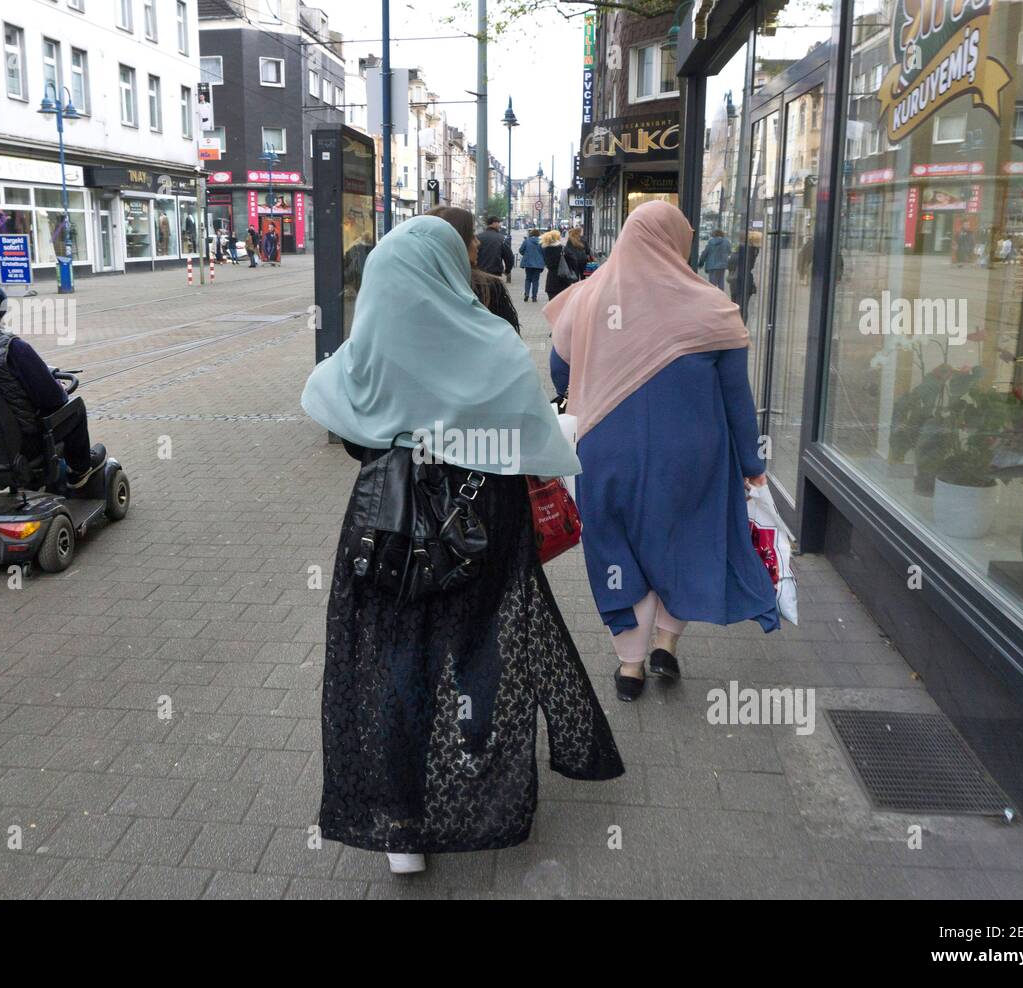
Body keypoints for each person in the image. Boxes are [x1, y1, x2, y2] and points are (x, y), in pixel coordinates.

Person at [301, 215, 623, 874]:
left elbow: (352, 433)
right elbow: (533, 443)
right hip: (485, 523)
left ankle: (403, 830)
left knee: (397, 661)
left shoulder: (366, 353)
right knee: (481, 639)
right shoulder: (495, 345)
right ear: (454, 267)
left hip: (390, 525)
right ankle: (475, 755)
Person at [544, 201, 778, 703]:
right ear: (677, 243)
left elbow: (561, 374)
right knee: (686, 541)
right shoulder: (712, 306)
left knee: (616, 547)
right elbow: (739, 402)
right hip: (694, 457)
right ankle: (666, 645)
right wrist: (753, 468)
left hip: (605, 451)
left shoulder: (586, 299)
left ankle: (630, 666)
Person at [0, 276, 105, 488]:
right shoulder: (11, 348)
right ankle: (79, 470)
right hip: (18, 444)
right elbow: (53, 399)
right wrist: (55, 386)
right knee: (74, 408)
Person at [427, 205, 519, 332]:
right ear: (456, 241)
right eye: (471, 236)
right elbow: (508, 337)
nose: (478, 243)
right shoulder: (487, 288)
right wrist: (508, 270)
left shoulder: (419, 283)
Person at [728, 229, 761, 315]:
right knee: (743, 306)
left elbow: (731, 264)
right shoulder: (754, 250)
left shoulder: (741, 249)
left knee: (737, 305)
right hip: (746, 280)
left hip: (737, 280)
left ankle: (738, 324)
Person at [475, 215, 514, 279]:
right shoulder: (501, 238)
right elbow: (509, 257)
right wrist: (507, 270)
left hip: (479, 273)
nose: (499, 225)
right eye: (498, 223)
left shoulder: (478, 237)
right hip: (494, 273)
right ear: (494, 223)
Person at [541, 230, 574, 300]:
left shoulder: (546, 249)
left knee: (552, 305)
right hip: (563, 281)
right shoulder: (563, 249)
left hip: (551, 282)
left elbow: (547, 263)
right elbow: (573, 261)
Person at [518, 228, 545, 302]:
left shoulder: (526, 241)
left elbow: (521, 250)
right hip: (538, 264)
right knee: (535, 280)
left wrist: (526, 255)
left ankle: (526, 294)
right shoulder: (542, 242)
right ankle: (534, 297)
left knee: (528, 279)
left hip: (528, 263)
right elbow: (544, 253)